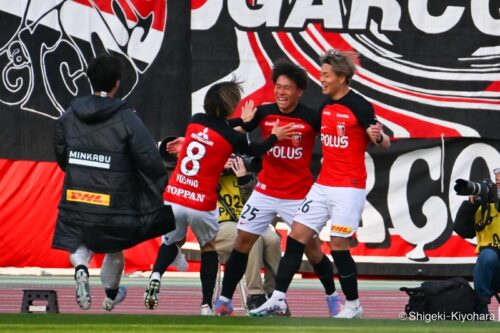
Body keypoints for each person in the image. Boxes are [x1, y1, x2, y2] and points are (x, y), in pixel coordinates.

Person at [249, 49, 390, 319]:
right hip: (322, 185)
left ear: (341, 77)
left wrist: (378, 135)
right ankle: (278, 298)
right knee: (295, 237)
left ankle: (353, 305)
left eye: (326, 75)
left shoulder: (359, 106)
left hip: (348, 188)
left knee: (338, 245)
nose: (321, 79)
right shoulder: (325, 106)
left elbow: (382, 140)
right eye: (321, 74)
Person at [143, 80, 296, 313]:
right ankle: (209, 303)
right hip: (203, 203)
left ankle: (156, 274)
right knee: (210, 247)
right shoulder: (231, 138)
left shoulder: (195, 121)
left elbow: (221, 127)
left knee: (171, 241)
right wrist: (273, 136)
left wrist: (242, 126)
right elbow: (254, 150)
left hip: (176, 195)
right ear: (231, 106)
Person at [214, 59, 339, 316]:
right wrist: (241, 122)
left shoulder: (311, 117)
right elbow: (230, 128)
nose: (281, 92)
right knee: (242, 241)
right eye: (277, 87)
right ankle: (225, 300)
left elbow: (337, 136)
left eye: (287, 88)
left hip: (298, 194)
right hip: (265, 191)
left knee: (313, 250)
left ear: (299, 91)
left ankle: (333, 296)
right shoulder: (265, 112)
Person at [52, 54, 175, 311]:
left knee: (79, 238)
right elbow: (148, 159)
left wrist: (78, 170)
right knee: (114, 244)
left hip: (76, 195)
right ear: (117, 83)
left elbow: (61, 153)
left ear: (89, 79)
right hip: (113, 199)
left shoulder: (69, 115)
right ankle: (110, 297)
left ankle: (82, 269)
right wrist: (158, 183)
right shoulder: (125, 116)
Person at [214, 155, 282, 312]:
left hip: (246, 222)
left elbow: (257, 202)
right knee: (251, 239)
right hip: (219, 226)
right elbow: (202, 187)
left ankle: (273, 293)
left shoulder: (245, 172)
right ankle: (255, 295)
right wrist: (217, 167)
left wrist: (243, 178)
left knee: (273, 239)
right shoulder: (208, 169)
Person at [454, 168, 500, 315]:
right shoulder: (484, 205)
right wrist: (471, 205)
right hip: (494, 268)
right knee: (487, 256)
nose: (497, 187)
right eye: (496, 183)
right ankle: (481, 306)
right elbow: (463, 231)